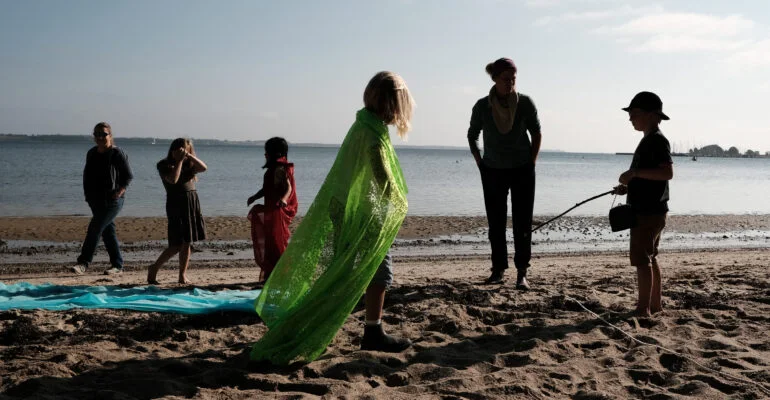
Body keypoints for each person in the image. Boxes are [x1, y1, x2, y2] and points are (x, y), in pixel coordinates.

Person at [250, 71, 414, 365]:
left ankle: (321, 326)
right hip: (363, 219)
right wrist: (399, 200)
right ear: (391, 105)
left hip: (346, 213)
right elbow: (381, 180)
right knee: (378, 275)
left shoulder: (361, 126)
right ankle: (372, 331)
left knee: (339, 276)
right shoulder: (373, 136)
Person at [467, 57, 542, 289]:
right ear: (495, 79)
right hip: (492, 171)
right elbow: (472, 135)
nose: (511, 83)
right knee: (496, 224)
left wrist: (532, 161)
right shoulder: (482, 106)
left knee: (522, 223)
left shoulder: (525, 103)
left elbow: (537, 133)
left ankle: (522, 273)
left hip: (522, 170)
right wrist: (480, 162)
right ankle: (498, 270)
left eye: (514, 79)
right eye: (506, 79)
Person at [612, 91, 673, 317]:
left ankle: (643, 308)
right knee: (650, 257)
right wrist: (630, 185)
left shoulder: (657, 140)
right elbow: (652, 177)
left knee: (642, 260)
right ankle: (654, 305)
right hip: (652, 210)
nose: (630, 118)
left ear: (650, 114)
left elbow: (667, 173)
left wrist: (634, 172)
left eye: (634, 113)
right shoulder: (649, 139)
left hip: (648, 212)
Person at [70, 122, 133, 275]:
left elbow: (128, 176)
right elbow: (87, 176)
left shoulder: (117, 153)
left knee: (95, 228)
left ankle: (83, 263)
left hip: (113, 200)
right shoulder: (91, 153)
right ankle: (117, 265)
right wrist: (88, 196)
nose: (100, 137)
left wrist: (119, 192)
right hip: (95, 200)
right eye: (97, 134)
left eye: (104, 134)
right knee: (107, 231)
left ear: (110, 136)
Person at [147, 138, 208, 285]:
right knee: (176, 244)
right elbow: (173, 180)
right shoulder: (164, 164)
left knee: (187, 242)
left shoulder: (190, 164)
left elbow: (204, 168)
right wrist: (179, 161)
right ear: (172, 149)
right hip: (176, 203)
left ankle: (182, 275)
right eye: (178, 149)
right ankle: (154, 268)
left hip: (191, 202)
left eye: (184, 149)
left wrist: (189, 156)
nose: (180, 152)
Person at [247, 137, 299, 283]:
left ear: (272, 153)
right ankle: (272, 274)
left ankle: (282, 274)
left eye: (266, 151)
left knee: (277, 243)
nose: (265, 155)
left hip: (277, 211)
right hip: (271, 211)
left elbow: (288, 187)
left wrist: (283, 199)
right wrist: (255, 196)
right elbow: (267, 189)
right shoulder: (274, 168)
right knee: (271, 242)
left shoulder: (279, 168)